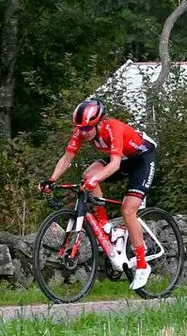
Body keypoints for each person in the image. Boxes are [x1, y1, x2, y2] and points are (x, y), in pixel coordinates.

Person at [41, 99, 158, 290]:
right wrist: (52, 179)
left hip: (142, 159)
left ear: (99, 123)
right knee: (88, 175)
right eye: (81, 128)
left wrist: (95, 181)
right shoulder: (81, 131)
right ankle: (105, 225)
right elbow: (67, 158)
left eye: (88, 128)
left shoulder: (113, 128)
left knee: (128, 210)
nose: (84, 132)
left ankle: (143, 265)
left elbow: (114, 164)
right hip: (123, 159)